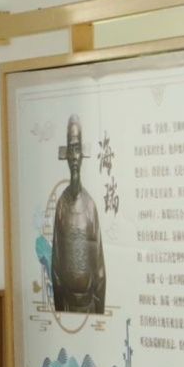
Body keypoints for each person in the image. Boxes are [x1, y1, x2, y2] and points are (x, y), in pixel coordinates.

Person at [50, 115, 106, 313]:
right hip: (67, 305)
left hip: (89, 306)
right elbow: (56, 266)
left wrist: (99, 313)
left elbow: (99, 270)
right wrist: (60, 312)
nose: (74, 157)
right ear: (65, 154)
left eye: (77, 149)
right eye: (71, 149)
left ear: (83, 153)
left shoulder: (90, 206)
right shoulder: (61, 206)